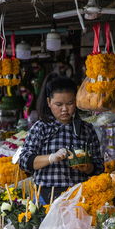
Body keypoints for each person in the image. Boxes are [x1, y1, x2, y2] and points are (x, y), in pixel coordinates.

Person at [19, 74, 104, 203]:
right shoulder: (41, 128)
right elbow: (24, 161)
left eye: (70, 103)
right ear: (49, 102)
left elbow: (99, 166)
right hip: (47, 195)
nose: (65, 109)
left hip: (79, 195)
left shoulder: (86, 129)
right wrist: (51, 158)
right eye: (58, 104)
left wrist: (88, 167)